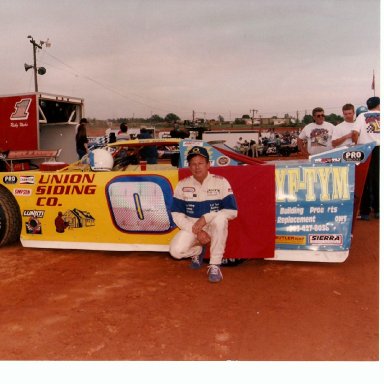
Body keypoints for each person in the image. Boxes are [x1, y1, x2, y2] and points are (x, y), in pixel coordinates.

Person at [169, 146, 238, 283]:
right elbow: (176, 214)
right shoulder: (182, 185)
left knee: (220, 220)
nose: (197, 167)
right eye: (193, 164)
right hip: (193, 227)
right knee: (175, 252)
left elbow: (232, 211)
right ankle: (198, 251)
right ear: (188, 166)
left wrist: (206, 218)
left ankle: (214, 265)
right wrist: (197, 230)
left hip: (213, 226)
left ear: (208, 164)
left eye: (200, 163)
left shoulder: (221, 182)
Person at [353, 96, 380, 220]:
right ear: (378, 105)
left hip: (364, 149)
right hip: (379, 149)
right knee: (378, 180)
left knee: (364, 180)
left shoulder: (361, 116)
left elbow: (355, 133)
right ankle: (378, 210)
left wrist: (356, 146)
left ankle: (364, 212)